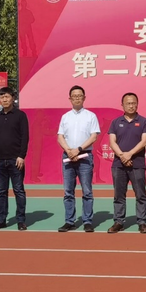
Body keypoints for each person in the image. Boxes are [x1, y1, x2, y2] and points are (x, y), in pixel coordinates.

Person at [57, 85, 100, 232]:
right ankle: (69, 221)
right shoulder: (65, 117)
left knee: (87, 191)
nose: (77, 98)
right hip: (68, 157)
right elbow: (60, 136)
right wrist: (69, 151)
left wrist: (78, 150)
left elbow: (93, 136)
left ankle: (87, 221)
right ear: (70, 99)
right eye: (74, 96)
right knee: (68, 191)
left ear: (84, 98)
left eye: (79, 96)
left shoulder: (91, 116)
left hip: (84, 156)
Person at [107, 92, 146, 234]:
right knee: (119, 195)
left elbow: (144, 141)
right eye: (128, 103)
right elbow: (112, 142)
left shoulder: (144, 121)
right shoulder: (115, 122)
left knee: (140, 194)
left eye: (133, 103)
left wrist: (130, 154)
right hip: (118, 164)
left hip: (137, 164)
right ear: (122, 105)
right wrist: (122, 156)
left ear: (137, 104)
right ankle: (118, 221)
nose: (131, 106)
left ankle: (142, 221)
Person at [0, 87, 30, 231]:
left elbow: (25, 137)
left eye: (7, 96)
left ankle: (21, 220)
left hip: (15, 160)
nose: (4, 99)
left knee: (18, 190)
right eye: (2, 97)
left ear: (13, 98)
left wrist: (21, 156)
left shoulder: (20, 115)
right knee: (1, 192)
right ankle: (1, 220)